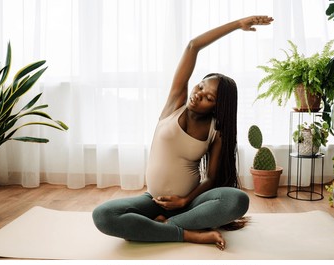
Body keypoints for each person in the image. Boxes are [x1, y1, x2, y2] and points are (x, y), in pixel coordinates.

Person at [93, 15, 274, 250]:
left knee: (238, 200)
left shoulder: (215, 131)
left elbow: (210, 178)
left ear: (216, 107)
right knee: (103, 215)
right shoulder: (174, 103)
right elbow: (193, 46)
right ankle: (189, 233)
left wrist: (186, 199)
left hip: (190, 203)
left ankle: (164, 226)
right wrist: (237, 25)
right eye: (201, 86)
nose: (198, 94)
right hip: (154, 200)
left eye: (208, 97)